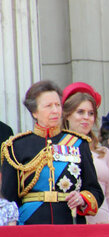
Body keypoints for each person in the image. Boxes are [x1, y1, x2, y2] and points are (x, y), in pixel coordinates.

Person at [0, 80, 103, 224]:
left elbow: (95, 191)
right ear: (34, 112)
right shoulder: (16, 146)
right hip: (30, 225)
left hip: (69, 223)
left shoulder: (79, 143)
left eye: (58, 105)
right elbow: (8, 196)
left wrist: (83, 198)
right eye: (48, 106)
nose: (55, 111)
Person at [62, 82, 109, 224]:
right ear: (67, 115)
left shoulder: (102, 152)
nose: (86, 117)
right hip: (73, 222)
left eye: (91, 113)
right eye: (80, 112)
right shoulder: (58, 150)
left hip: (104, 223)